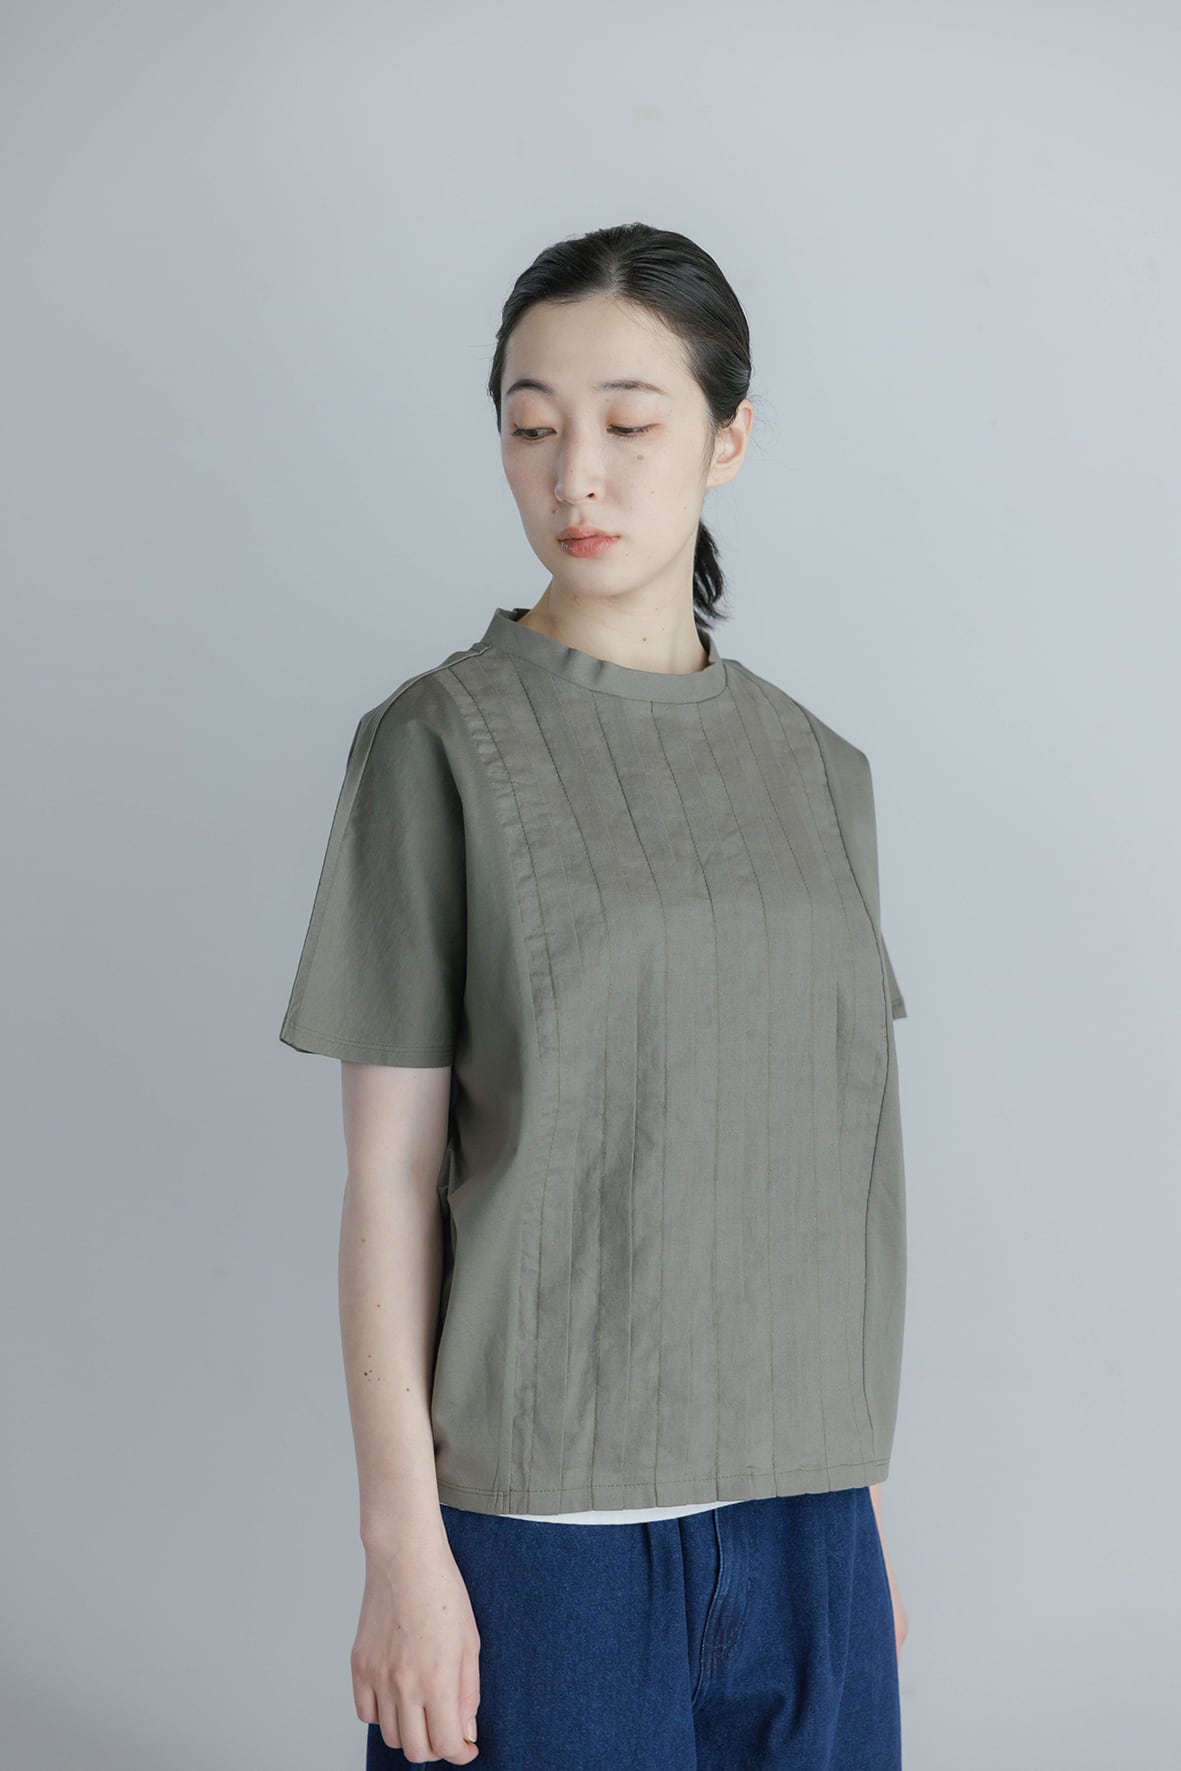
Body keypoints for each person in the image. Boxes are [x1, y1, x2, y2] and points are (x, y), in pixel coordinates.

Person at [279, 221, 911, 1770]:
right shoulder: (436, 745)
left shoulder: (820, 773)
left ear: (726, 438)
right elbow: (389, 1179)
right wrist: (402, 1553)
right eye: (531, 427)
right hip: (542, 1538)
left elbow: (813, 1166)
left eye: (630, 424)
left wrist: (857, 1534)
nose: (577, 476)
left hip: (809, 1525)